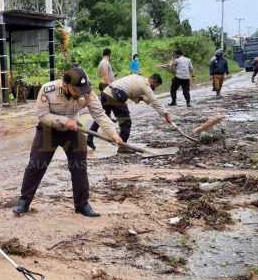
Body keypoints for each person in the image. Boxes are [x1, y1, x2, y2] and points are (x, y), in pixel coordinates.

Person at [14, 68, 122, 218]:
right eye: (76, 89)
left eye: (82, 89)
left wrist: (114, 133)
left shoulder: (87, 92)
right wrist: (65, 121)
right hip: (48, 129)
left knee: (79, 166)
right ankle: (24, 201)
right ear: (65, 85)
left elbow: (99, 114)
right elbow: (42, 114)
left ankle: (82, 204)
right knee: (36, 164)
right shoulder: (48, 90)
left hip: (72, 130)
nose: (80, 92)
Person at [98, 73, 172, 143]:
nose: (155, 88)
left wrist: (140, 99)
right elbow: (155, 101)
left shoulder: (138, 78)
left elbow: (129, 91)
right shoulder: (145, 84)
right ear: (154, 82)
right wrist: (166, 115)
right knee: (126, 123)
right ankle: (122, 146)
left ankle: (90, 137)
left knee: (101, 116)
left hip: (106, 92)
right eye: (156, 86)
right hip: (115, 95)